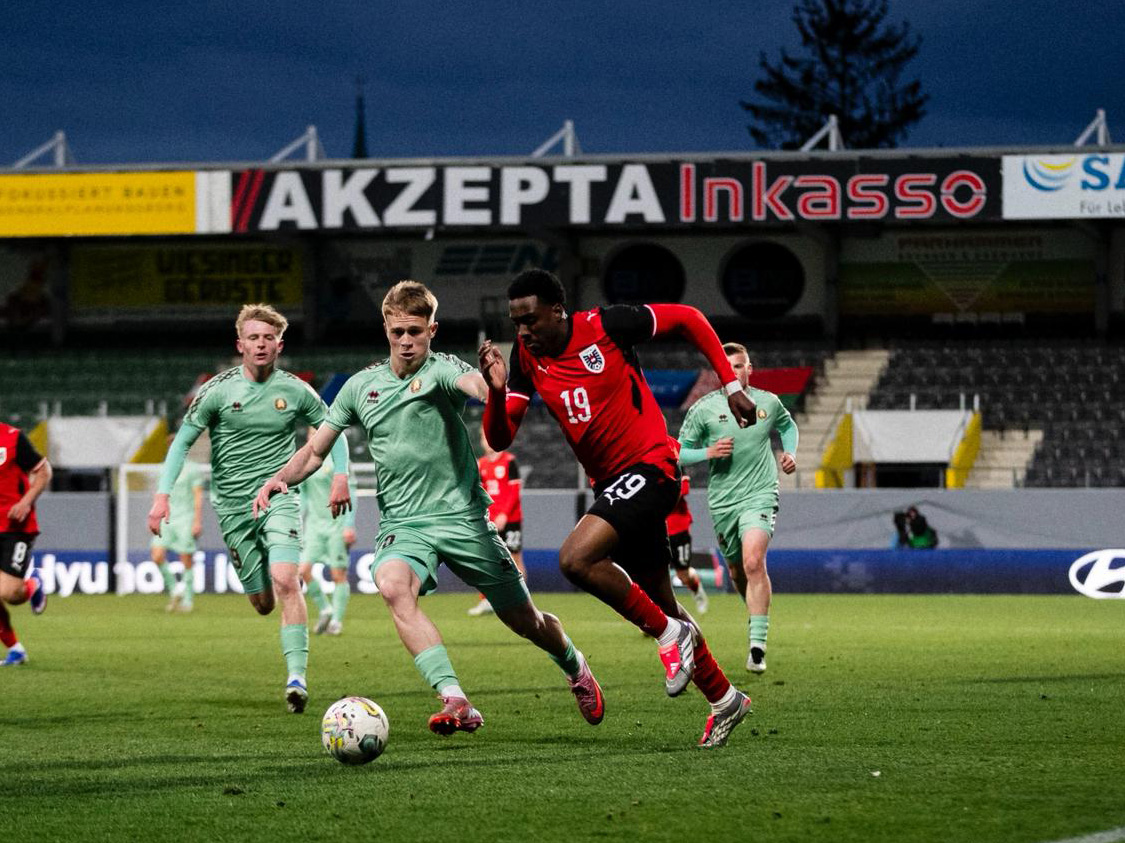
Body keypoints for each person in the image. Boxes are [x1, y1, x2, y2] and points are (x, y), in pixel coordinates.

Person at [254, 280, 604, 736]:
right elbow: (316, 450)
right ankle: (455, 699)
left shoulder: (442, 371)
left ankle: (575, 666)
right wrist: (281, 477)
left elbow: (475, 385)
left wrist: (496, 387)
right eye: (398, 331)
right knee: (393, 585)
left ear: (432, 330)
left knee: (526, 621)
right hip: (404, 523)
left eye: (415, 331)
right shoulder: (361, 387)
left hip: (463, 519)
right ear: (386, 328)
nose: (406, 341)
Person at [479, 268, 754, 748]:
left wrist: (730, 385)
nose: (522, 331)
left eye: (530, 319)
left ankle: (672, 637)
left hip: (652, 467)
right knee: (659, 605)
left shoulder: (607, 326)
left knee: (575, 559)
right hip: (614, 486)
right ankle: (725, 698)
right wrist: (498, 390)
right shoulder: (526, 356)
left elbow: (689, 318)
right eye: (515, 322)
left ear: (557, 311)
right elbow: (500, 438)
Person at [147, 303, 351, 714]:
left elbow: (332, 432)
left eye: (268, 338)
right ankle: (275, 611)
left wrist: (342, 476)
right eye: (253, 338)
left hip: (279, 498)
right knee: (262, 602)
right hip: (233, 510)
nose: (261, 344)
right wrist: (162, 495)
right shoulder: (218, 392)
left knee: (286, 579)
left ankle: (296, 678)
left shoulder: (295, 390)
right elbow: (182, 443)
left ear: (279, 344)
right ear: (240, 344)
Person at [677, 342, 798, 675]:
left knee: (753, 561)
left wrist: (790, 453)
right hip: (723, 501)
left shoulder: (768, 402)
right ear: (720, 372)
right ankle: (755, 614)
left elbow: (788, 427)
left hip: (760, 493)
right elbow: (677, 452)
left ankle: (757, 647)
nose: (737, 372)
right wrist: (708, 453)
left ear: (750, 368)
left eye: (742, 365)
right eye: (729, 367)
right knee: (736, 571)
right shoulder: (703, 409)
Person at [0, 423, 51, 666]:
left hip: (15, 527)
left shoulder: (12, 438)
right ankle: (15, 649)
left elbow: (44, 472)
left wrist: (26, 502)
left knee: (9, 593)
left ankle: (32, 585)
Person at [299, 429, 358, 636]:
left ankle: (336, 621)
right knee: (302, 570)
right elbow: (304, 497)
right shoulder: (306, 461)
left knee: (337, 574)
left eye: (317, 433)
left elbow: (351, 494)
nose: (313, 438)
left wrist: (349, 525)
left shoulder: (339, 460)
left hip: (337, 524)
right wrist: (298, 521)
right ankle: (325, 608)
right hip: (314, 526)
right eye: (310, 435)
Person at [469, 426, 526, 616]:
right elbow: (479, 492)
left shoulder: (510, 462)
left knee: (515, 557)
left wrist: (504, 514)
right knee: (486, 559)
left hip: (511, 519)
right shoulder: (481, 464)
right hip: (489, 520)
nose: (486, 441)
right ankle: (486, 601)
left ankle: (523, 600)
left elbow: (514, 492)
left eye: (489, 437)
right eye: (483, 438)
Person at [152, 434, 204, 613]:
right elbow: (159, 494)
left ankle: (188, 599)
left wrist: (197, 520)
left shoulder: (192, 469)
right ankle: (175, 589)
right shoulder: (163, 469)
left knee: (186, 558)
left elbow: (198, 495)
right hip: (166, 518)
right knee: (156, 555)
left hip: (185, 518)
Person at [666, 474, 708, 614]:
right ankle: (654, 616)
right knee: (653, 574)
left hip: (678, 530)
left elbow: (681, 491)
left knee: (683, 574)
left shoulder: (675, 465)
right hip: (657, 530)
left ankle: (697, 590)